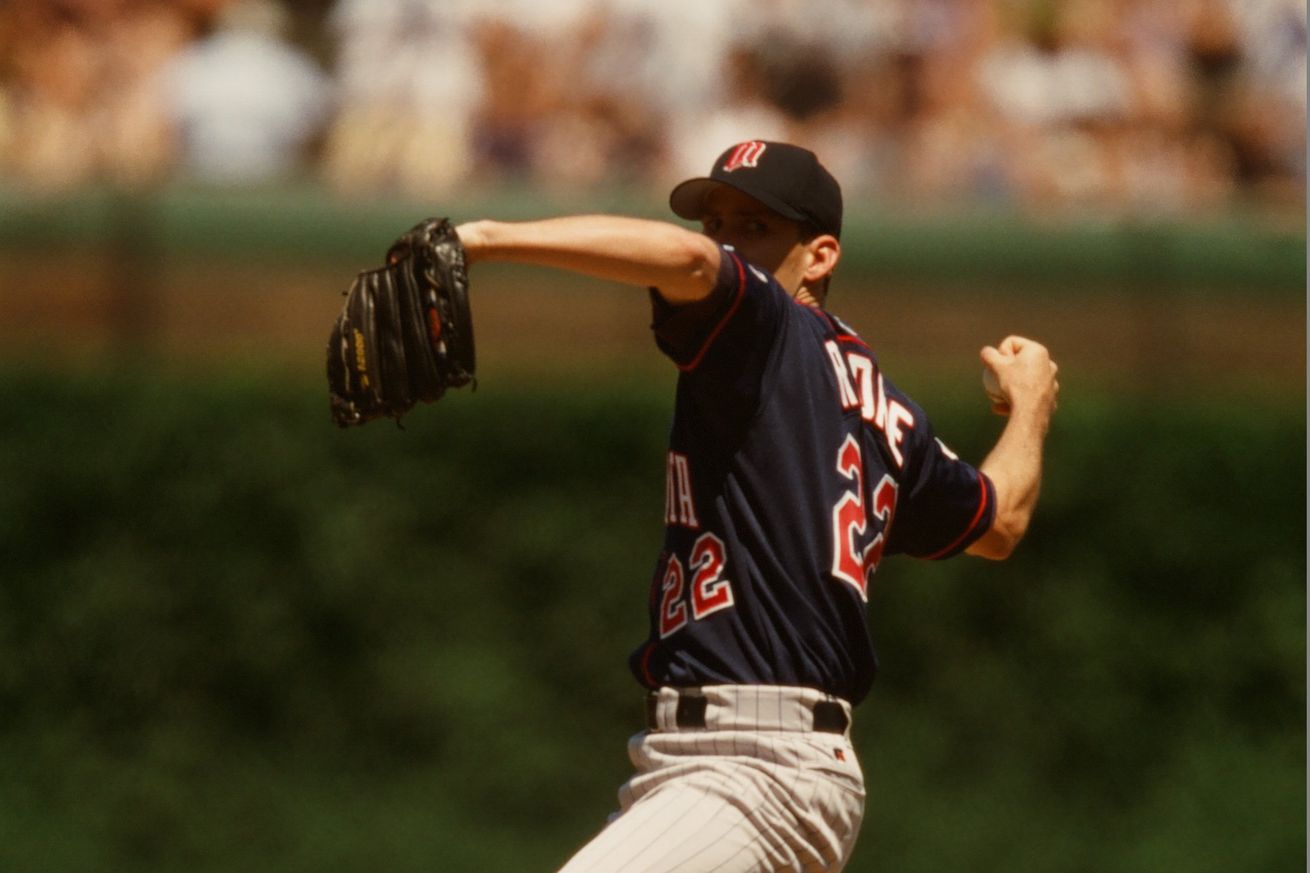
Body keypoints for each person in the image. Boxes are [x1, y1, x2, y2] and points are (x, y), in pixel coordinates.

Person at [454, 140, 1059, 873]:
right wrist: (1029, 407)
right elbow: (999, 521)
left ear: (821, 254)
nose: (725, 241)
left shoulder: (766, 327)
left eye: (754, 226)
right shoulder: (891, 417)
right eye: (717, 221)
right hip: (711, 767)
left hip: (756, 769)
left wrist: (484, 239)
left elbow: (687, 263)